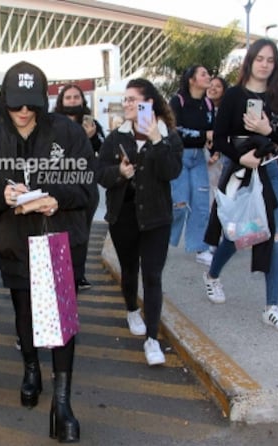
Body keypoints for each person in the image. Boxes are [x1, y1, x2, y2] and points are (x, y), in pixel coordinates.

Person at [0, 61, 95, 442]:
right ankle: (30, 368)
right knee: (24, 314)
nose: (24, 113)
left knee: (61, 325)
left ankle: (62, 403)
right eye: (16, 105)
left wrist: (57, 199)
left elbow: (88, 189)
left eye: (32, 105)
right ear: (4, 101)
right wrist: (1, 196)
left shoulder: (68, 133)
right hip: (14, 240)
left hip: (56, 238)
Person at [204, 38, 278, 332]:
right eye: (260, 59)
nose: (265, 64)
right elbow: (218, 139)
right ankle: (213, 275)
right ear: (250, 61)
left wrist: (268, 130)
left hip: (270, 174)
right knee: (238, 234)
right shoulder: (233, 96)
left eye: (270, 60)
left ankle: (272, 307)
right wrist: (242, 157)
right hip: (240, 173)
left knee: (274, 236)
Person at [98, 78, 184, 363]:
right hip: (124, 215)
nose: (127, 104)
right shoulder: (116, 136)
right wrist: (119, 174)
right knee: (129, 270)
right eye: (126, 99)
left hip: (156, 217)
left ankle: (152, 340)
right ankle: (131, 309)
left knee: (153, 276)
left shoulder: (169, 136)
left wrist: (157, 141)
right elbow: (100, 173)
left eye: (133, 99)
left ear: (149, 103)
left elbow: (171, 171)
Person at [53, 83, 104, 291]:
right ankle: (60, 275)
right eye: (68, 97)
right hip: (60, 188)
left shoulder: (92, 124)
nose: (73, 101)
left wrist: (91, 138)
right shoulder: (53, 125)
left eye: (76, 97)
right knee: (60, 233)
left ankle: (78, 275)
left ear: (83, 100)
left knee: (82, 234)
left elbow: (103, 150)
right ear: (61, 102)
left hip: (86, 189)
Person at [168, 65, 215, 266]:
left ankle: (200, 247)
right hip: (179, 156)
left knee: (201, 204)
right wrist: (204, 135)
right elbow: (175, 130)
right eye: (203, 74)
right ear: (192, 80)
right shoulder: (177, 101)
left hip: (199, 158)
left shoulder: (208, 103)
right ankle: (163, 239)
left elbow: (213, 130)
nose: (208, 77)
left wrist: (214, 148)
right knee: (179, 203)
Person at [206, 76, 230, 201]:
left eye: (218, 86)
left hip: (220, 158)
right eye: (210, 85)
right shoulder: (200, 108)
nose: (213, 88)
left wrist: (217, 152)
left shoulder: (227, 111)